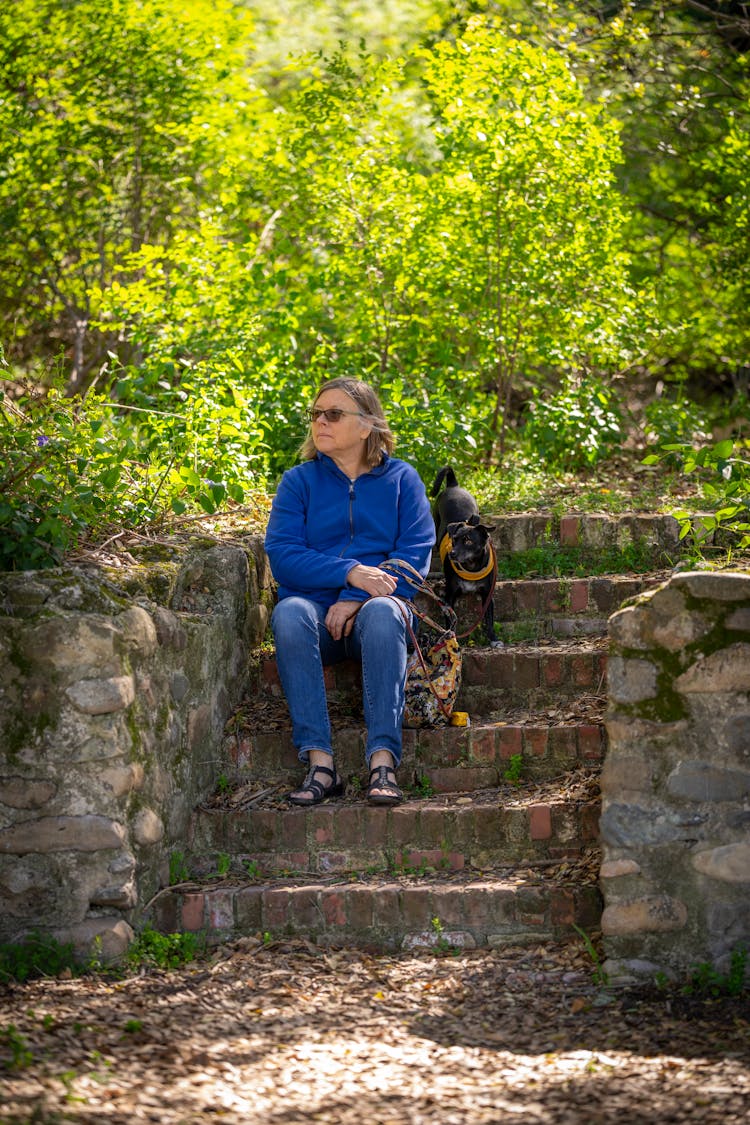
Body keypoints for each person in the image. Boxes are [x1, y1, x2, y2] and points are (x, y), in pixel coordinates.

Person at [264, 377, 435, 807]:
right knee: (287, 614)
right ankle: (321, 763)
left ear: (365, 426)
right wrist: (351, 572)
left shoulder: (402, 480)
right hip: (314, 619)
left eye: (333, 414)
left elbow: (414, 557)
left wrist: (359, 597)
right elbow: (283, 556)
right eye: (316, 414)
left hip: (379, 618)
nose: (320, 421)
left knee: (381, 614)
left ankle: (382, 762)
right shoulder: (298, 482)